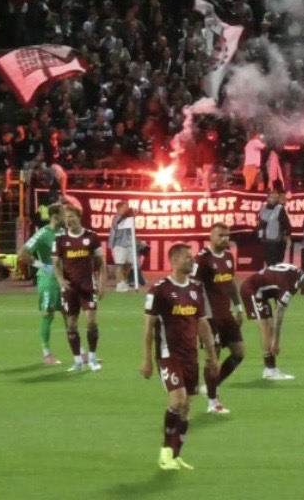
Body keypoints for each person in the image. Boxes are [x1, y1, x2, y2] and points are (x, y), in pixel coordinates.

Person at [141, 242, 218, 472]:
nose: (192, 260)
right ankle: (165, 452)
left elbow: (202, 323)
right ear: (174, 261)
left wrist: (211, 356)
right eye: (187, 257)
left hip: (190, 355)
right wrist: (146, 358)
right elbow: (148, 327)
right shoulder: (160, 289)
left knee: (186, 407)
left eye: (192, 257)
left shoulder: (196, 288)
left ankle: (175, 455)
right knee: (177, 401)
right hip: (168, 354)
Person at [239, 262, 304, 380]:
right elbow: (279, 313)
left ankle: (271, 369)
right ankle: (269, 370)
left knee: (269, 327)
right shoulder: (292, 286)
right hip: (252, 290)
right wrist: (276, 341)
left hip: (260, 292)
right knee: (266, 328)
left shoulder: (299, 276)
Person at [194, 222, 244, 415]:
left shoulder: (228, 257)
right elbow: (195, 288)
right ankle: (212, 402)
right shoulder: (202, 260)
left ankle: (211, 386)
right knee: (212, 359)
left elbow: (230, 283)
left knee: (239, 353)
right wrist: (200, 316)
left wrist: (238, 307)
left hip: (226, 314)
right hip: (209, 317)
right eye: (221, 235)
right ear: (211, 237)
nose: (225, 239)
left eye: (227, 235)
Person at [53, 204, 107, 372]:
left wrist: (102, 284)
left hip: (88, 286)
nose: (68, 220)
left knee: (91, 322)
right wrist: (61, 280)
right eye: (66, 217)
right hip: (70, 288)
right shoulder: (61, 240)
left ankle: (92, 357)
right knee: (71, 323)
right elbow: (55, 263)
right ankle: (77, 361)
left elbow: (101, 263)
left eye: (71, 216)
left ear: (78, 217)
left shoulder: (92, 237)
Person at [18, 203, 66, 365]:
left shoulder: (63, 232)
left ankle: (79, 352)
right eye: (64, 213)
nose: (66, 217)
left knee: (69, 314)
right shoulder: (42, 234)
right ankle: (47, 355)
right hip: (48, 279)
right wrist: (42, 266)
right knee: (48, 314)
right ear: (55, 216)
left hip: (63, 278)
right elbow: (23, 253)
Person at [256, 187, 292, 267]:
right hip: (265, 240)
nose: (274, 199)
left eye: (276, 197)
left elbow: (286, 224)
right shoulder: (263, 208)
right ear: (268, 198)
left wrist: (287, 236)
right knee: (268, 262)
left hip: (276, 242)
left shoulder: (280, 208)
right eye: (272, 197)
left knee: (275, 263)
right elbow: (260, 222)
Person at [109, 200, 138, 291]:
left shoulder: (128, 217)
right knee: (120, 265)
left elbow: (131, 230)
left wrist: (133, 216)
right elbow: (118, 225)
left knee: (129, 264)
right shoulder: (116, 218)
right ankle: (119, 285)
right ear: (119, 208)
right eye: (124, 207)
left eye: (127, 207)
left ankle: (124, 281)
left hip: (129, 244)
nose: (126, 209)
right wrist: (129, 216)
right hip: (119, 244)